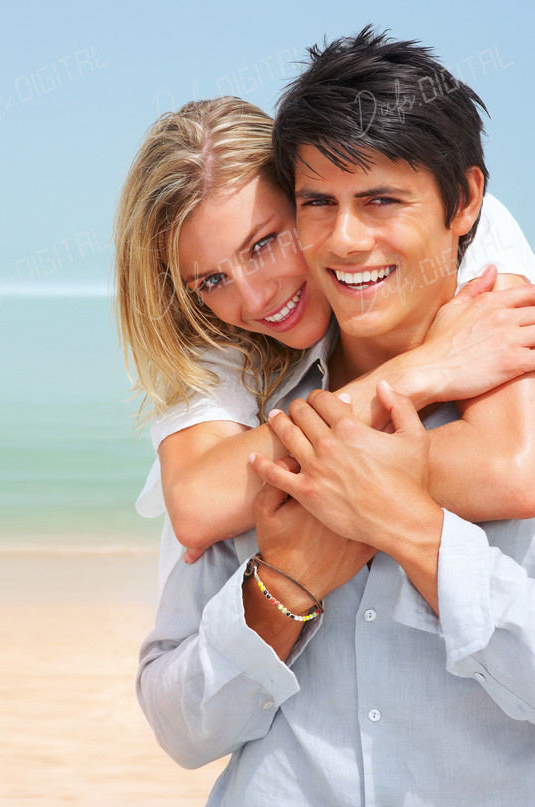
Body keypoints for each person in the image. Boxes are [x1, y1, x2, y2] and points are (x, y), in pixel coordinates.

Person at [135, 28, 535, 805]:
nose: (346, 240)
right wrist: (281, 588)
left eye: (381, 200)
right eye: (317, 203)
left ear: (465, 203)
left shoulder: (515, 382)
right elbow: (179, 728)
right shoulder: (252, 426)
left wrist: (413, 529)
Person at [115, 96, 535, 589]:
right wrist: (421, 371)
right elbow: (197, 504)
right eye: (210, 280)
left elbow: (509, 469)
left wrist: (305, 492)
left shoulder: (456, 219)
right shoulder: (224, 335)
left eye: (264, 243)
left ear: (309, 198)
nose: (254, 299)